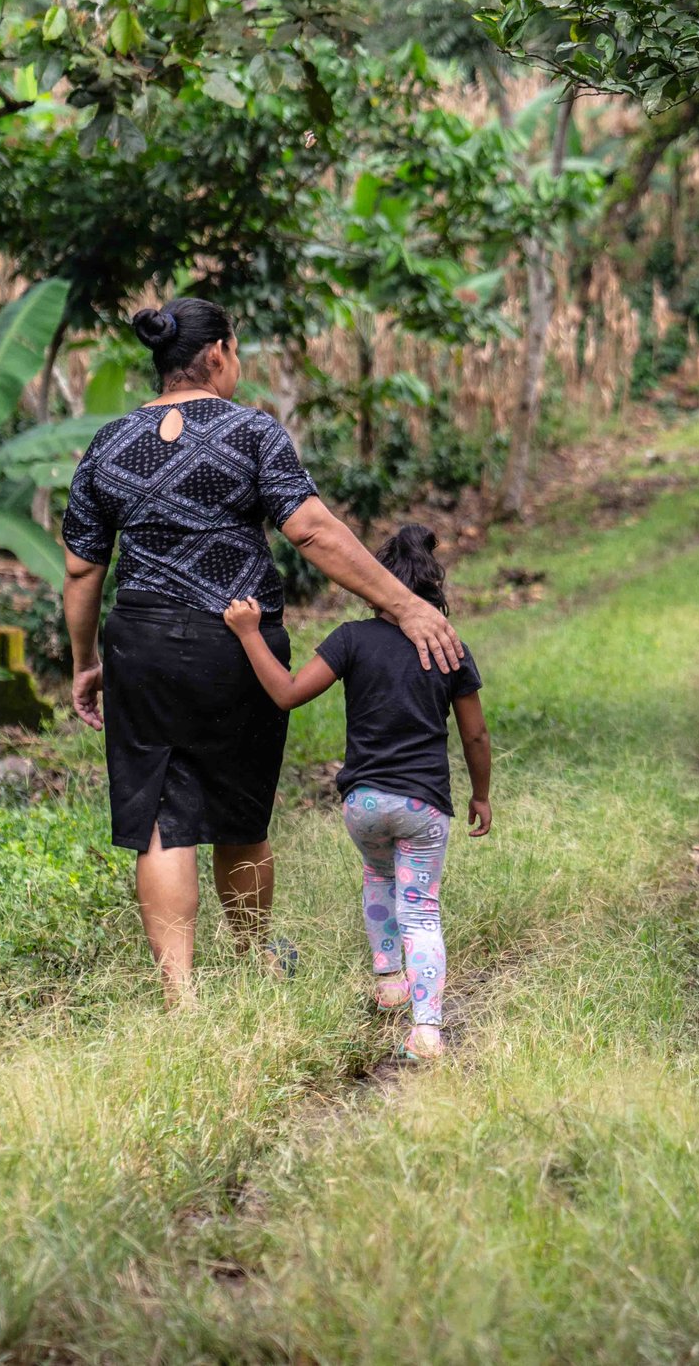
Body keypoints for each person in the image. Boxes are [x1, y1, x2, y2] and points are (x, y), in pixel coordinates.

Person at [60, 298, 465, 1007]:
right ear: (217, 354)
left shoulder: (109, 442)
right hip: (237, 644)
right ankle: (252, 960)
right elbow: (310, 529)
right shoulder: (252, 432)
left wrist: (84, 660)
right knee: (239, 810)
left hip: (143, 643)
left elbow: (81, 569)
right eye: (235, 353)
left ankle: (180, 994)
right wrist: (404, 603)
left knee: (163, 817)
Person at [222, 524, 491, 1061]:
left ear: (375, 588)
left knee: (377, 876)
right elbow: (475, 734)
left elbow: (286, 693)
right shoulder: (448, 647)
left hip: (363, 805)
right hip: (423, 805)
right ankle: (427, 1029)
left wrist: (250, 633)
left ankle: (389, 979)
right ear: (435, 593)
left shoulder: (350, 638)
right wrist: (480, 794)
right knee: (419, 908)